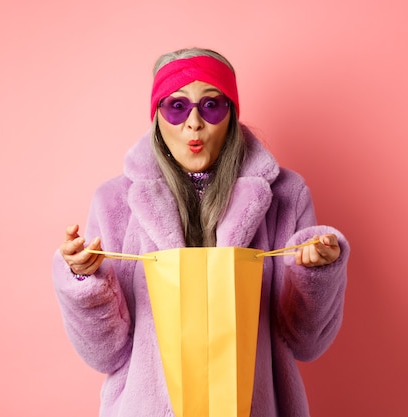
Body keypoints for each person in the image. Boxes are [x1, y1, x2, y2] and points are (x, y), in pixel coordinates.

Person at [52, 47, 349, 417]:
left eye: (211, 106)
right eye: (176, 107)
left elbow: (307, 343)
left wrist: (316, 272)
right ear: (157, 116)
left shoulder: (285, 196)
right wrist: (84, 282)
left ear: (232, 113)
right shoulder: (115, 202)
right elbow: (105, 353)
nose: (194, 123)